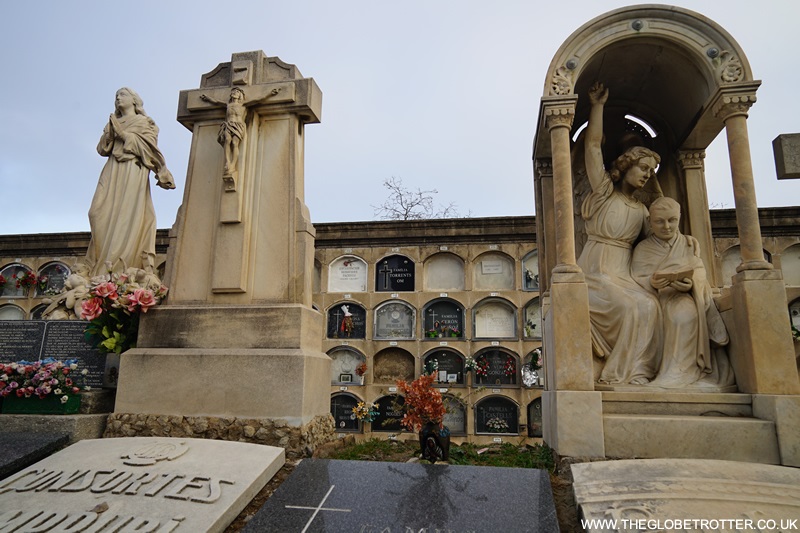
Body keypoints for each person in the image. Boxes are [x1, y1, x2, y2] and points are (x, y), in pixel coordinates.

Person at [578, 82, 662, 385]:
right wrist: (597, 106)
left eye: (650, 172)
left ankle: (639, 372)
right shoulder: (603, 193)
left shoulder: (642, 211)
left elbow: (655, 244)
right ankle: (617, 372)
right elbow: (592, 146)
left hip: (625, 272)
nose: (646, 175)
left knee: (651, 305)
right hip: (596, 270)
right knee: (629, 307)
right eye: (642, 167)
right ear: (626, 165)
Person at [632, 197, 732, 388]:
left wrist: (691, 283)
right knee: (646, 312)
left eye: (672, 220)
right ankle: (652, 370)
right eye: (659, 221)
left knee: (684, 314)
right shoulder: (643, 249)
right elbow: (636, 277)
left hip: (683, 297)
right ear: (650, 222)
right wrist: (652, 282)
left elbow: (699, 270)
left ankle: (679, 372)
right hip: (655, 297)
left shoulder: (687, 244)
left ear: (679, 218)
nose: (667, 226)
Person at [85, 88, 175, 277]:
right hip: (112, 169)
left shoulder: (145, 123)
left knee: (126, 218)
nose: (118, 98)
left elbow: (150, 150)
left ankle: (117, 269)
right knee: (96, 212)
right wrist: (110, 132)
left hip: (133, 170)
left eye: (122, 95)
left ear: (134, 101)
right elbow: (102, 149)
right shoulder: (112, 122)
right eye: (116, 96)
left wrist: (123, 134)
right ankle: (99, 265)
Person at [200, 86, 281, 180]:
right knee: (227, 140)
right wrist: (207, 98)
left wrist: (270, 94)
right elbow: (216, 102)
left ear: (240, 95)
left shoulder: (243, 104)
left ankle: (233, 164)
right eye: (233, 91)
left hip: (238, 125)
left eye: (237, 92)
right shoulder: (228, 104)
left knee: (234, 143)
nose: (234, 92)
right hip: (229, 124)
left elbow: (259, 100)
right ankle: (228, 162)